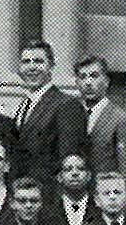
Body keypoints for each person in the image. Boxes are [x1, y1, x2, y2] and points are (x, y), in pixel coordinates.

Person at [9, 40, 88, 186]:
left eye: (38, 61)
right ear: (20, 67)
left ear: (51, 66)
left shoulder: (67, 105)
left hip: (49, 195)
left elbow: (69, 161)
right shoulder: (23, 105)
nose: (32, 67)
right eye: (26, 62)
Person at [76, 56, 126, 196]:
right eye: (83, 77)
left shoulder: (122, 119)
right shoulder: (73, 117)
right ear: (77, 82)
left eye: (94, 76)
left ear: (106, 82)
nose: (88, 82)